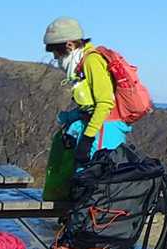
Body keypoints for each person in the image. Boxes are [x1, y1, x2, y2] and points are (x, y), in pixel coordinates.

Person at [45, 17, 134, 163]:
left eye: (56, 51)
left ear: (69, 45)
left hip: (105, 131)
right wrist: (69, 121)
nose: (55, 56)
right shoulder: (81, 64)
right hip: (98, 128)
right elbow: (89, 107)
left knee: (94, 173)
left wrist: (87, 139)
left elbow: (105, 103)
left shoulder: (92, 61)